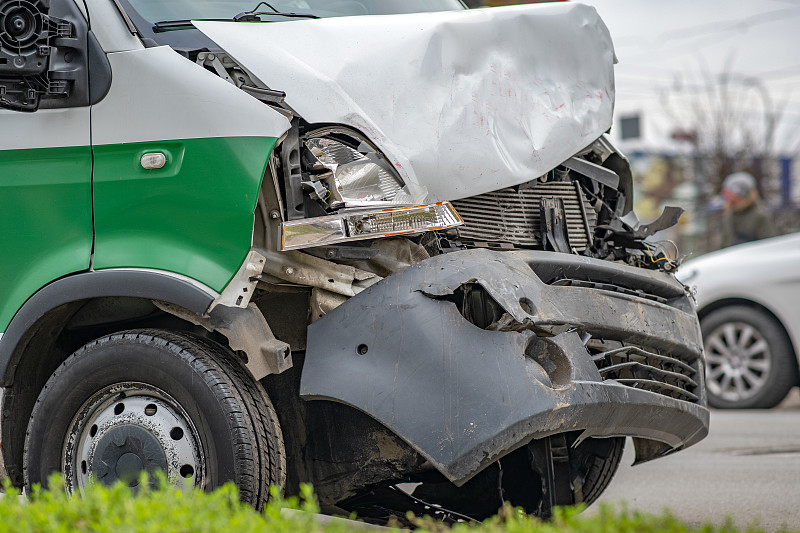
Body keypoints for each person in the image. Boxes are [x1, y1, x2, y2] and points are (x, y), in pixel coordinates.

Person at [720, 171, 776, 247]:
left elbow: (769, 245)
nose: (732, 201)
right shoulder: (729, 215)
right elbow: (725, 242)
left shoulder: (759, 216)